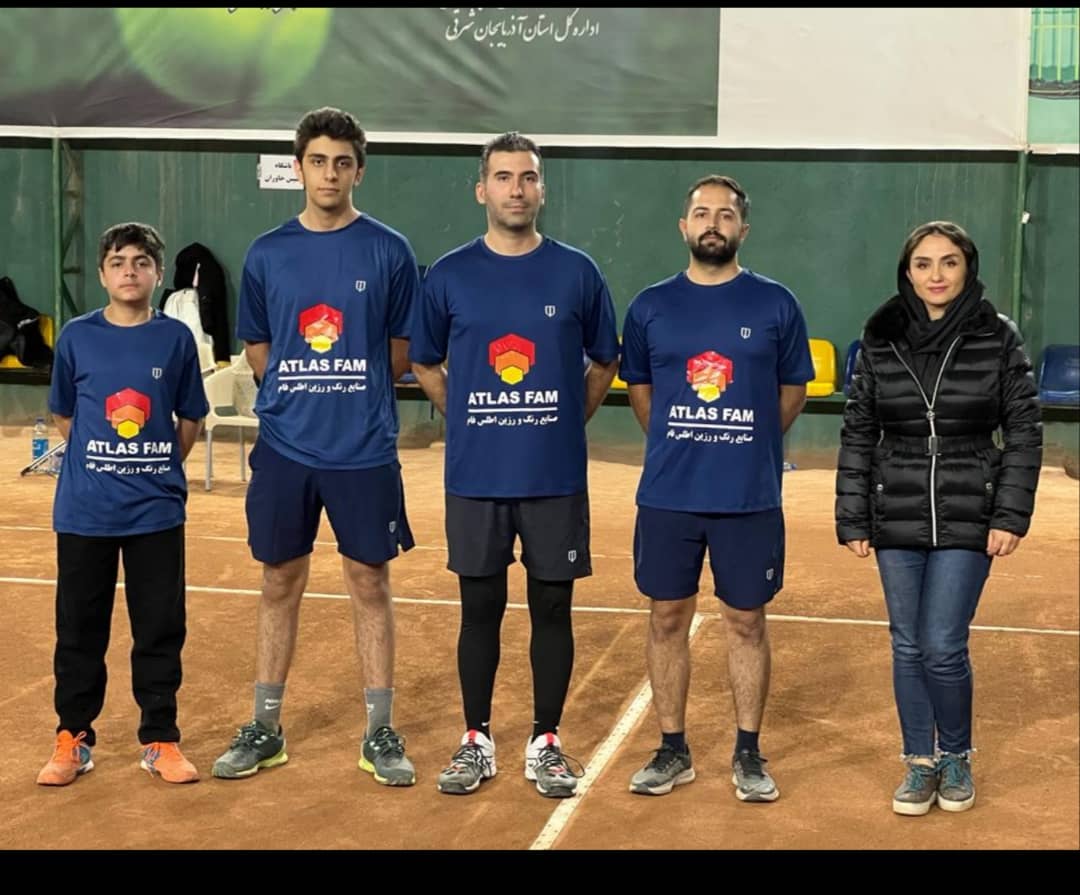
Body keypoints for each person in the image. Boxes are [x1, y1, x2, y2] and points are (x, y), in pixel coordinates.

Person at [212, 107, 420, 785]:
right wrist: (299, 397)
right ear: (299, 168)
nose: (330, 174)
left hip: (364, 449)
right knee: (279, 580)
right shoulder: (267, 253)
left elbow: (399, 350)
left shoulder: (389, 250)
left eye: (342, 162)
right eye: (318, 161)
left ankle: (380, 730)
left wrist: (350, 392)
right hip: (286, 450)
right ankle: (265, 726)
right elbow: (257, 346)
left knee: (370, 581)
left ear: (359, 171)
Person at [410, 131, 620, 798]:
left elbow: (606, 359)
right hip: (476, 479)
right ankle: (476, 739)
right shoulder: (449, 275)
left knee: (552, 608)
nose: (516, 189)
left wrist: (568, 417)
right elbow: (423, 360)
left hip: (554, 477)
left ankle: (545, 741)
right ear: (482, 189)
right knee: (480, 609)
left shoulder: (577, 272)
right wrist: (464, 415)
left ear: (542, 189)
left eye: (527, 177)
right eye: (503, 177)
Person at [836, 220, 1042, 816]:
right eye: (923, 264)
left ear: (967, 268)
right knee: (907, 644)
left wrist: (1010, 514)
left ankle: (955, 755)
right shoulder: (881, 334)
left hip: (970, 506)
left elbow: (1024, 430)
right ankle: (918, 762)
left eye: (949, 262)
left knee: (943, 644)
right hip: (894, 502)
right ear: (907, 272)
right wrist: (853, 515)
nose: (936, 275)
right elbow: (859, 428)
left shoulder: (997, 335)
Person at [619, 175, 814, 802]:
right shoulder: (650, 306)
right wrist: (678, 442)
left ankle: (748, 752)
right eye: (701, 213)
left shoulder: (776, 303)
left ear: (742, 230)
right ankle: (672, 748)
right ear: (684, 226)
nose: (712, 223)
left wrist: (751, 443)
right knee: (666, 617)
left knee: (747, 621)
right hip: (668, 495)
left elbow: (793, 390)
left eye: (725, 215)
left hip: (748, 498)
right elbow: (642, 391)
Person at [37, 222, 208, 786]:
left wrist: (155, 467)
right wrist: (103, 463)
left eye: (140, 262)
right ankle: (73, 738)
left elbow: (190, 417)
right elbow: (66, 413)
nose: (129, 272)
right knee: (79, 630)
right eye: (117, 262)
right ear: (102, 273)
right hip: (85, 512)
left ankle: (160, 739)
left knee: (159, 628)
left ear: (157, 273)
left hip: (156, 512)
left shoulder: (176, 339)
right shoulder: (77, 337)